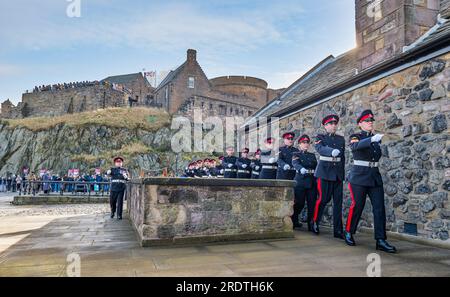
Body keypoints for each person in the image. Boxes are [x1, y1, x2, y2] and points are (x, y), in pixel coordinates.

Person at [345, 110, 397, 253]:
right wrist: (371, 140)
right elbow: (355, 147)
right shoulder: (356, 137)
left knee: (379, 208)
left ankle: (380, 240)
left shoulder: (375, 139)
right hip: (359, 177)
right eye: (367, 121)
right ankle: (349, 231)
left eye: (371, 121)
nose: (370, 123)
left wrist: (374, 140)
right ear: (360, 124)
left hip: (374, 177)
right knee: (357, 206)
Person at [311, 114, 346, 239]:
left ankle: (338, 230)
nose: (334, 125)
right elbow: (320, 148)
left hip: (337, 174)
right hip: (324, 173)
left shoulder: (341, 139)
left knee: (338, 203)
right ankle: (314, 222)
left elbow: (343, 158)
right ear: (325, 126)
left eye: (335, 123)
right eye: (331, 124)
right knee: (322, 200)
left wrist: (342, 174)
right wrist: (331, 151)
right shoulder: (320, 137)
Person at [291, 135, 318, 230]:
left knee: (312, 204)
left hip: (311, 181)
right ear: (299, 144)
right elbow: (295, 163)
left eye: (307, 143)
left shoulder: (312, 155)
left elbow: (316, 167)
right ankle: (294, 219)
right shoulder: (296, 154)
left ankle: (311, 224)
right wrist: (301, 168)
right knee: (299, 203)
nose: (306, 144)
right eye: (303, 143)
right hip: (300, 181)